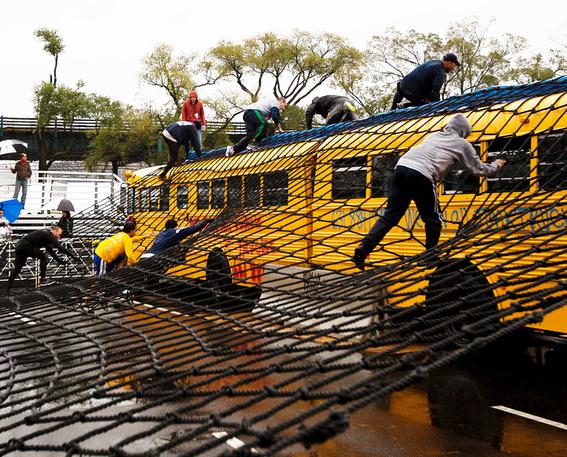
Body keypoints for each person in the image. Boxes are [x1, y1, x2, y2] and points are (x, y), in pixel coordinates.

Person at [352, 114, 506, 271]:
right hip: (422, 173)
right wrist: (496, 165)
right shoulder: (462, 143)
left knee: (390, 216)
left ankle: (364, 248)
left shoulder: (434, 136)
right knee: (434, 219)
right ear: (463, 131)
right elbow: (478, 169)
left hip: (401, 167)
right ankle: (430, 256)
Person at [6, 225, 78, 290]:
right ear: (55, 231)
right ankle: (43, 278)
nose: (59, 236)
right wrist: (73, 255)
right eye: (59, 234)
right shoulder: (48, 235)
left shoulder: (46, 237)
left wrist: (59, 261)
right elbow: (59, 247)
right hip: (26, 246)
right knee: (43, 257)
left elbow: (51, 252)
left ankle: (9, 286)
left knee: (17, 269)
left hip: (19, 247)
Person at [391, 53, 460, 110]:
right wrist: (439, 105)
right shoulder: (440, 70)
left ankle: (394, 109)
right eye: (454, 65)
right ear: (449, 62)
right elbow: (436, 88)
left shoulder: (433, 62)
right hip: (412, 91)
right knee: (430, 105)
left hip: (402, 86)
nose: (453, 68)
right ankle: (405, 106)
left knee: (430, 97)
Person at [140, 218, 207, 259]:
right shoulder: (175, 232)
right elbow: (191, 229)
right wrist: (203, 222)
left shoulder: (161, 233)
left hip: (144, 256)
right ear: (175, 227)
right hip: (154, 259)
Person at [181, 90, 207, 156]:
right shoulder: (185, 103)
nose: (193, 99)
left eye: (194, 97)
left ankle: (200, 151)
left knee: (198, 138)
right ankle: (188, 153)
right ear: (189, 98)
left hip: (197, 123)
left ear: (196, 98)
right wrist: (184, 124)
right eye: (192, 97)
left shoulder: (200, 104)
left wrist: (204, 124)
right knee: (188, 139)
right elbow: (183, 114)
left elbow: (202, 114)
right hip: (189, 124)